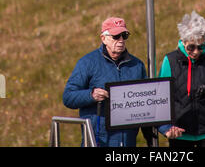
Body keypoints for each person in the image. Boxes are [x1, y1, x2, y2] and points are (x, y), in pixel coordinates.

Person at [63, 16, 182, 147]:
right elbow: (68, 97)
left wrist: (166, 128)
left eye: (124, 35)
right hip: (98, 141)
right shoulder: (87, 63)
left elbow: (148, 102)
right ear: (103, 38)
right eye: (116, 36)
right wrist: (91, 95)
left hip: (128, 141)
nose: (120, 40)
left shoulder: (137, 65)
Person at [158, 11, 205, 147]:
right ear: (183, 41)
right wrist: (165, 127)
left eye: (201, 47)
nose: (196, 52)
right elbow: (161, 97)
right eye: (191, 47)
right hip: (180, 133)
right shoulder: (170, 60)